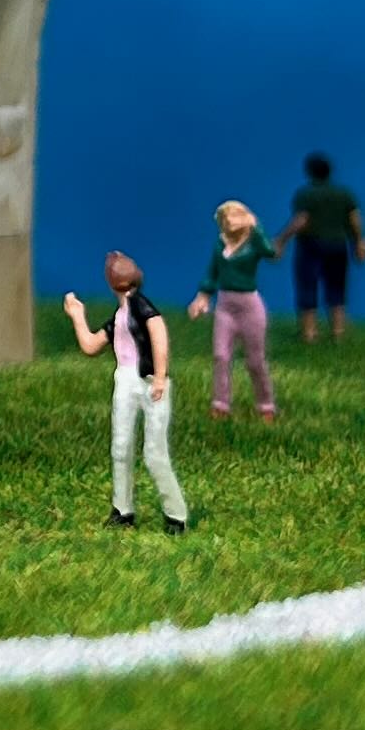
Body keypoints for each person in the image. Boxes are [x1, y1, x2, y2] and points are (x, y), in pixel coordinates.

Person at [65, 252, 191, 531]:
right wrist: (77, 316)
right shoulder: (119, 317)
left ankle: (176, 515)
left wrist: (160, 376)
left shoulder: (143, 308)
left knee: (154, 453)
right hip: (125, 379)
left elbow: (158, 335)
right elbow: (90, 345)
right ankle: (122, 510)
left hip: (149, 381)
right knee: (120, 447)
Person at [188, 200, 282, 420]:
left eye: (234, 215)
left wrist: (256, 228)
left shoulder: (254, 242)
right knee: (221, 356)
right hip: (225, 306)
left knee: (255, 361)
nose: (229, 220)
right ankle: (220, 403)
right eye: (225, 216)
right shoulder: (220, 244)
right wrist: (202, 297)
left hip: (249, 306)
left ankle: (266, 404)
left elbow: (270, 252)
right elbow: (212, 273)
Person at [277, 154, 365, 342]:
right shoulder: (344, 193)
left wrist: (282, 240)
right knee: (337, 287)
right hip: (338, 245)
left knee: (307, 286)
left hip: (311, 245)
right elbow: (354, 219)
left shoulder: (306, 194)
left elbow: (301, 220)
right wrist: (359, 242)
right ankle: (338, 332)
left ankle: (309, 333)